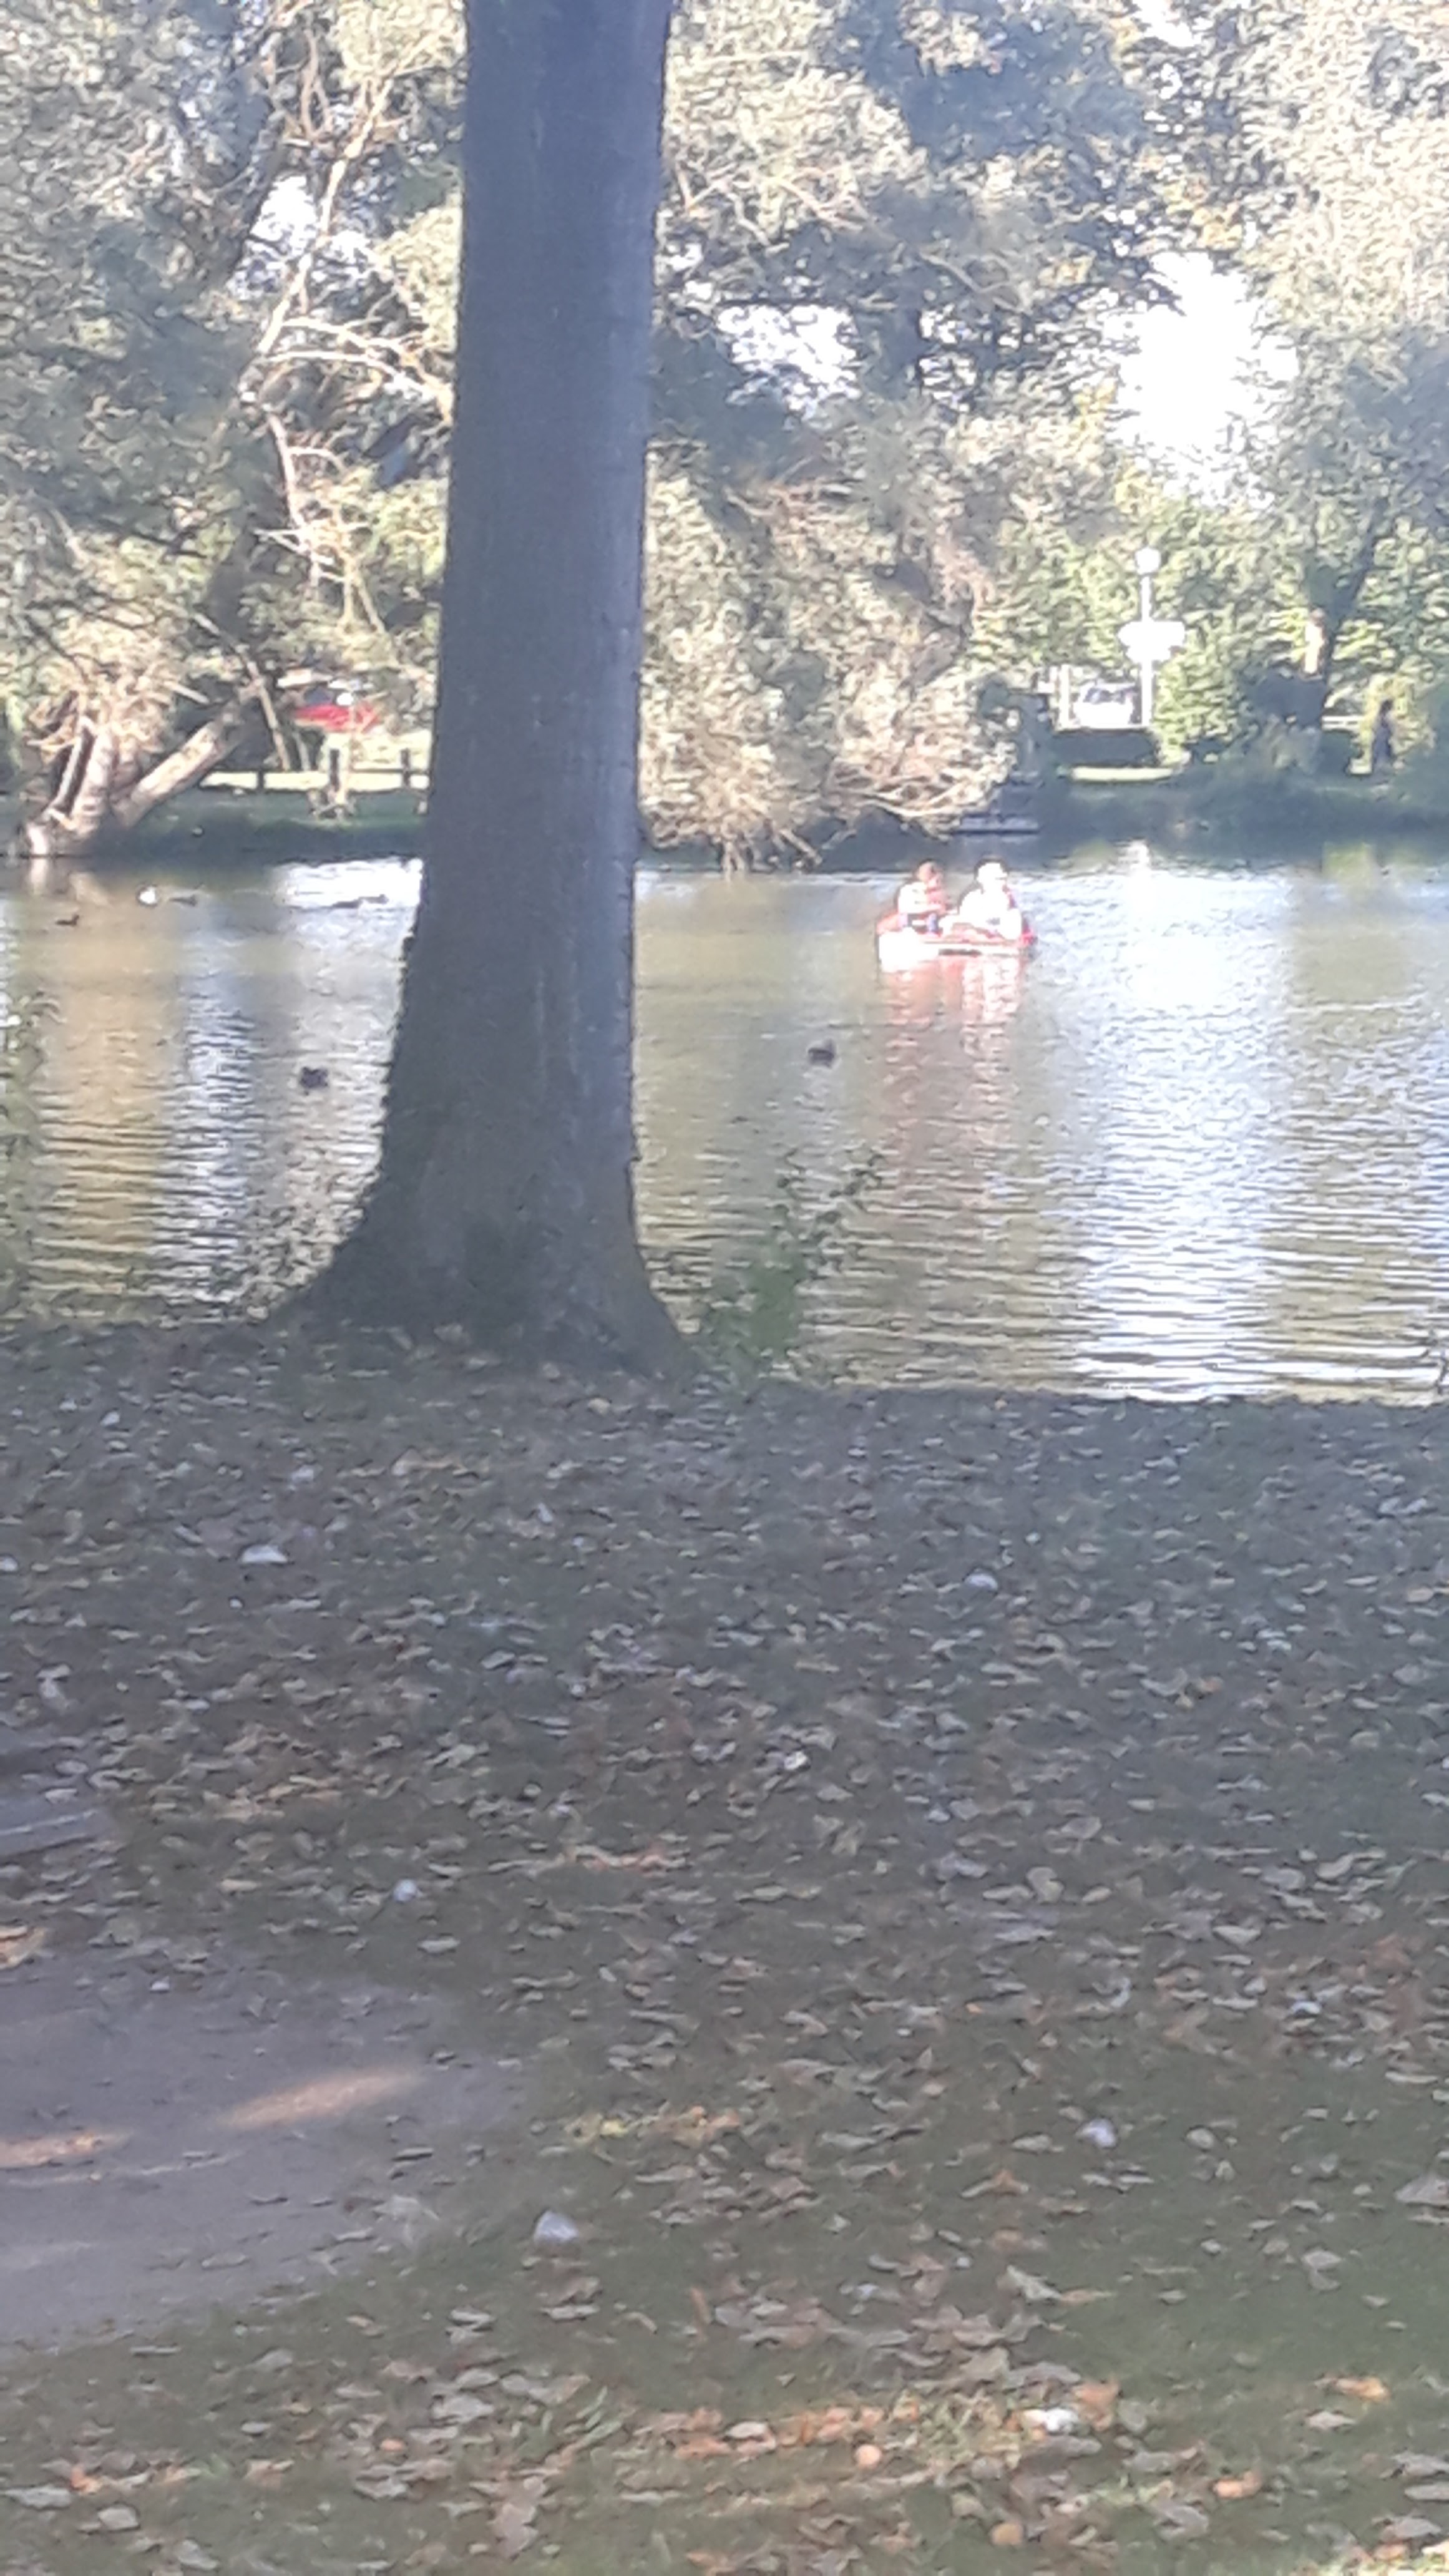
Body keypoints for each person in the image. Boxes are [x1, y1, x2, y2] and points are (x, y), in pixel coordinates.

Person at [954, 858, 1024, 944]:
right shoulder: (971, 898)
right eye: (990, 875)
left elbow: (1012, 934)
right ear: (979, 878)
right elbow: (965, 923)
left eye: (999, 878)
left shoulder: (1012, 901)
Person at [897, 860, 947, 934]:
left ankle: (932, 931)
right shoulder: (909, 890)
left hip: (932, 922)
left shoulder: (940, 891)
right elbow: (906, 909)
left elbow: (943, 908)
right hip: (910, 922)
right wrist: (930, 908)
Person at [1370, 696, 1396, 773]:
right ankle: (1381, 766)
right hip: (1383, 736)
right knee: (1383, 750)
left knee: (1380, 750)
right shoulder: (1385, 716)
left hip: (1381, 736)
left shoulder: (1380, 716)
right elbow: (1389, 726)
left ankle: (1378, 766)